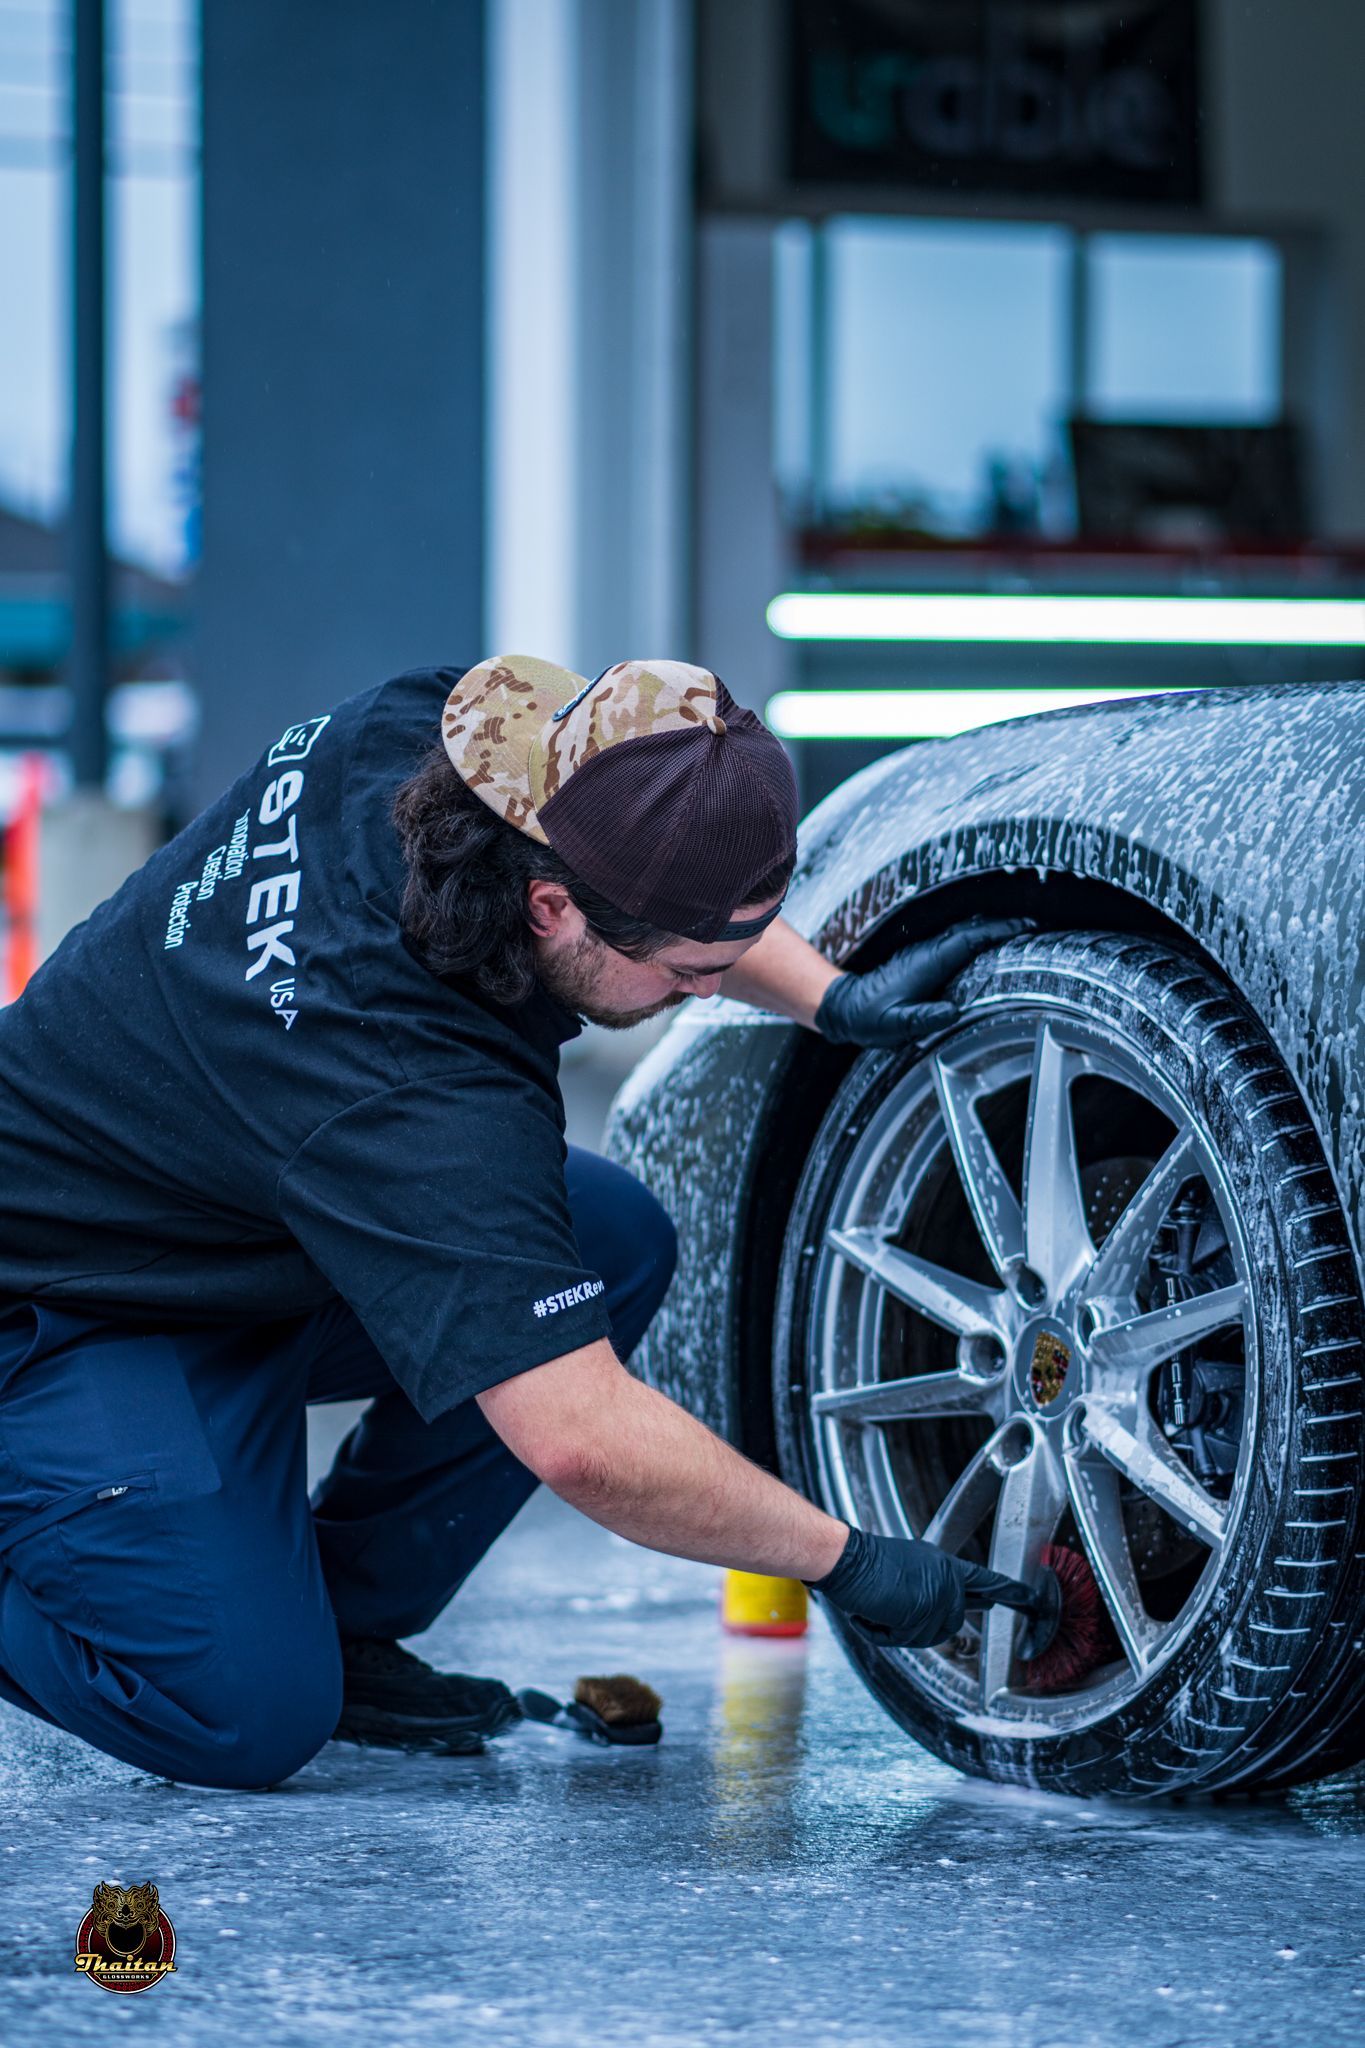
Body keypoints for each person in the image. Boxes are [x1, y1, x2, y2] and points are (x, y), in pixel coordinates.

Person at [0, 655, 1022, 1787]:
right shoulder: (417, 1092)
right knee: (242, 1709)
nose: (701, 994)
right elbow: (580, 1437)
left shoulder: (439, 733)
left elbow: (663, 897)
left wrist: (829, 996)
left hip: (236, 1216)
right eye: (689, 976)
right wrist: (848, 1559)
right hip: (62, 1302)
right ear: (551, 907)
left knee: (610, 1240)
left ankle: (347, 1617)